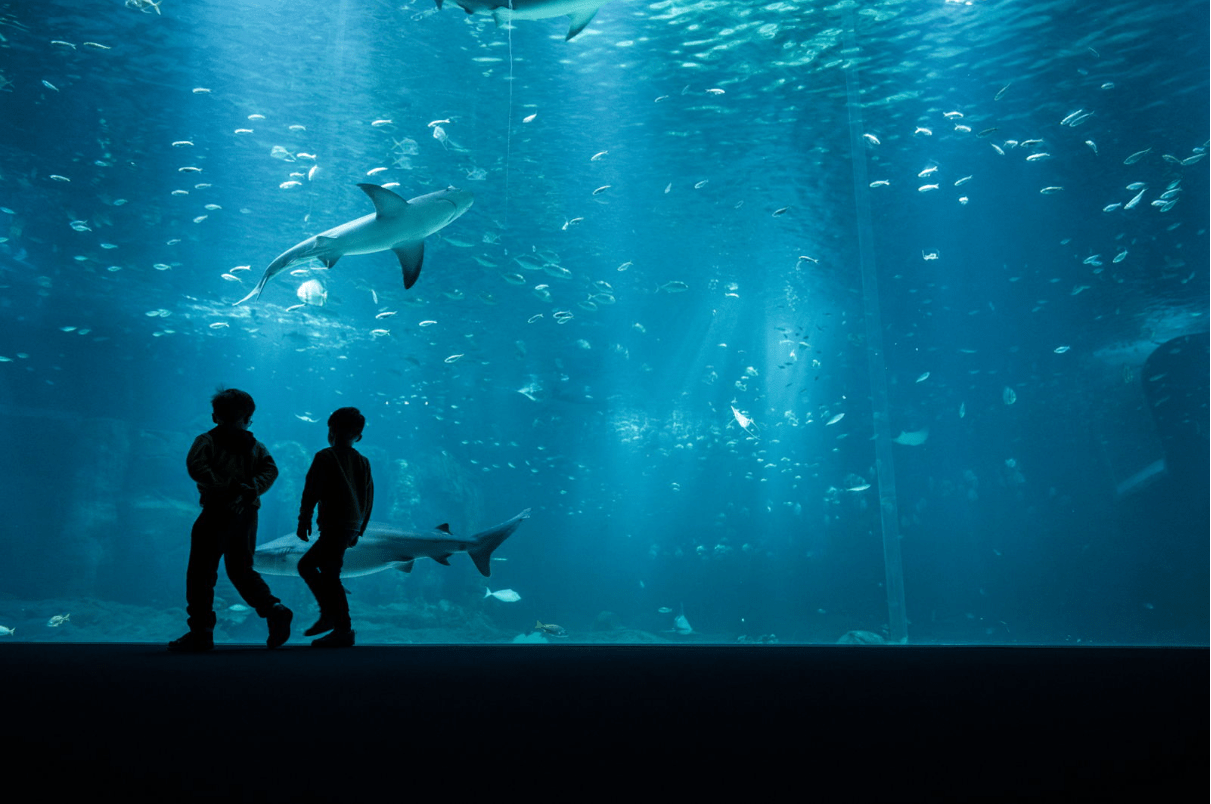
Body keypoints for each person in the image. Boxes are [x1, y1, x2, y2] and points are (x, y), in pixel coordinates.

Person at [169, 388, 293, 652]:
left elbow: (196, 467)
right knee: (242, 570)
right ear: (249, 419)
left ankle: (201, 632)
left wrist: (224, 489)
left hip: (215, 512)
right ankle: (274, 608)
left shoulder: (206, 441)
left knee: (201, 574)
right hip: (246, 515)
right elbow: (271, 470)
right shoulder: (256, 447)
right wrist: (250, 489)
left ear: (215, 417)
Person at [296, 407, 374, 648]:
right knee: (326, 572)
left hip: (334, 525)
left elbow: (311, 491)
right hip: (350, 526)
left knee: (312, 567)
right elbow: (368, 497)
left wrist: (304, 519)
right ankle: (336, 621)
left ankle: (338, 623)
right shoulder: (363, 461)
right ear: (358, 436)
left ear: (330, 431)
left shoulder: (325, 456)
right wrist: (359, 530)